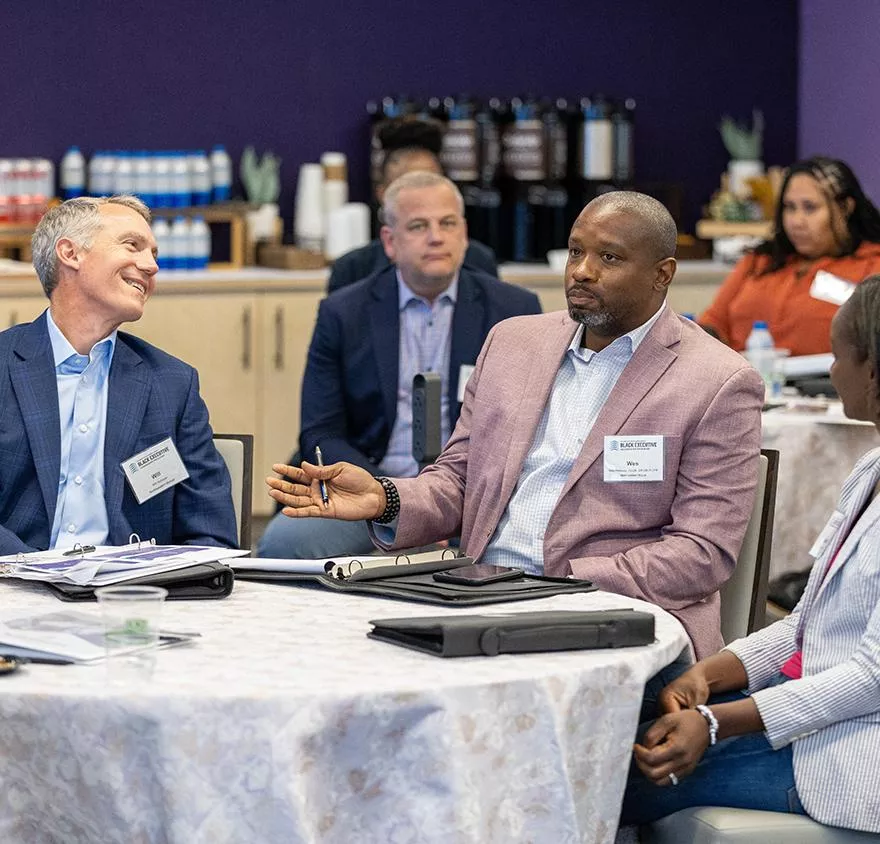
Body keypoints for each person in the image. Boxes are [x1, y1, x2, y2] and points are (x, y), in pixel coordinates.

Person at [266, 191, 765, 659]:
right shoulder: (513, 343)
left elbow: (701, 553)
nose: (582, 272)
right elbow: (459, 479)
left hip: (617, 616)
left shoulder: (717, 381)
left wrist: (560, 582)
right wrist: (387, 497)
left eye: (608, 258)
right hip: (481, 597)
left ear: (663, 274)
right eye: (575, 252)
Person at [618, 275, 880, 835]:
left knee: (605, 774)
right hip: (815, 716)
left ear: (875, 371)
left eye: (838, 357)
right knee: (618, 724)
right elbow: (805, 625)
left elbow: (871, 678)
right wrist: (709, 675)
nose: (832, 373)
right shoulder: (869, 470)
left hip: (851, 755)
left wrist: (715, 723)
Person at [256, 172, 541, 559]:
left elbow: (524, 429)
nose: (436, 237)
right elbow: (321, 430)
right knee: (282, 546)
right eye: (419, 226)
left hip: (469, 493)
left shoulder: (514, 311)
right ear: (390, 241)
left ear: (464, 233)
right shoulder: (344, 313)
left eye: (448, 223)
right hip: (367, 487)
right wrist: (389, 498)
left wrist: (434, 501)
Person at [0, 195, 237, 554]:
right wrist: (35, 573)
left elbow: (211, 536)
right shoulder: (4, 365)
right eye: (133, 246)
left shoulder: (173, 385)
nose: (151, 266)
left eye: (154, 254)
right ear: (70, 253)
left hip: (131, 595)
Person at [700, 156, 880, 356]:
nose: (796, 221)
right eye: (790, 207)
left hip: (829, 383)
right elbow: (713, 323)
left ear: (846, 207)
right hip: (743, 379)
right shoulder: (760, 260)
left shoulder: (873, 266)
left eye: (810, 207)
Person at [327, 117, 497, 294]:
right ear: (382, 194)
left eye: (429, 183)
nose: (420, 196)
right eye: (406, 186)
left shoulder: (479, 262)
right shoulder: (352, 270)